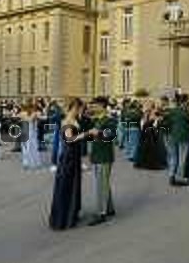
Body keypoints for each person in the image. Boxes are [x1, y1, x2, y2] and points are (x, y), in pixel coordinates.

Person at [49, 98, 91, 230]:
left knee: (72, 184)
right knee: (66, 185)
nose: (81, 111)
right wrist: (85, 134)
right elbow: (69, 138)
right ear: (74, 107)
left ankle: (71, 213)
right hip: (68, 156)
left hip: (73, 155)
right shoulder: (68, 120)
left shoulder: (72, 119)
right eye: (80, 108)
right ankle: (64, 216)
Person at [87, 96, 117, 226]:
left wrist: (98, 132)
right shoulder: (97, 120)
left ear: (102, 106)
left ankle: (101, 212)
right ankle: (109, 208)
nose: (92, 107)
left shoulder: (109, 120)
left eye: (95, 105)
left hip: (104, 156)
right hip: (97, 155)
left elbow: (110, 135)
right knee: (103, 183)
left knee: (101, 185)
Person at [162, 94, 189, 185]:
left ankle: (171, 175)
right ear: (184, 102)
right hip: (183, 137)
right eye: (187, 101)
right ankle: (179, 177)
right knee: (182, 158)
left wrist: (167, 135)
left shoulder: (171, 112)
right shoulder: (186, 112)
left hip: (172, 136)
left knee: (173, 157)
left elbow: (165, 123)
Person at [134, 100, 167, 170]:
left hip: (148, 131)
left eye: (149, 105)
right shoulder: (148, 112)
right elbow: (146, 122)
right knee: (147, 147)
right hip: (148, 131)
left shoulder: (151, 112)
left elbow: (148, 122)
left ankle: (145, 162)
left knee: (148, 147)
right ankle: (148, 163)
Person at [20, 100, 44, 170]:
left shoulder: (22, 113)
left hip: (25, 130)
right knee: (32, 147)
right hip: (30, 131)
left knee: (26, 147)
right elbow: (31, 120)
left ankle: (26, 162)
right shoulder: (34, 114)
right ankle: (32, 162)